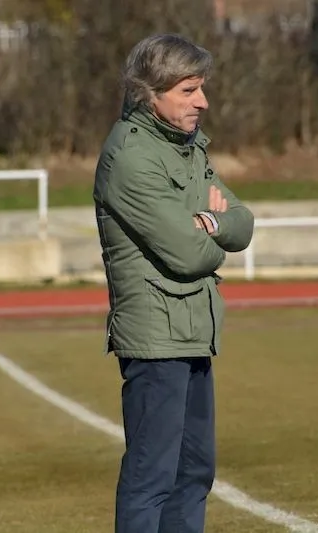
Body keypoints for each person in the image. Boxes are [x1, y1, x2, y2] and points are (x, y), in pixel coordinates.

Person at [93, 34, 255, 533]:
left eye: (201, 88)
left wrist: (208, 222)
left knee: (194, 472)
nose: (202, 102)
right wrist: (211, 230)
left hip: (194, 331)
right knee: (152, 477)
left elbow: (243, 224)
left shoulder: (187, 148)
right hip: (155, 339)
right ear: (151, 92)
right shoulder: (131, 156)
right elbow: (188, 254)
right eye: (188, 90)